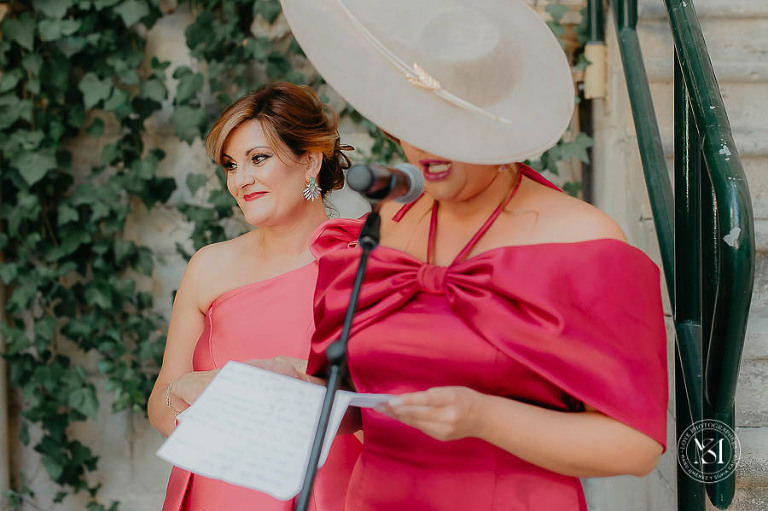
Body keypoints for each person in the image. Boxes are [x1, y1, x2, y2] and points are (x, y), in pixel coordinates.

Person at [278, 0, 669, 509]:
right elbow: (358, 408)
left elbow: (636, 446)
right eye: (413, 120)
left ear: (500, 123)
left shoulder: (582, 240)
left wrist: (485, 419)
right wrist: (300, 391)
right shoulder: (382, 228)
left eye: (451, 124)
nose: (426, 146)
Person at [147, 82, 361, 511]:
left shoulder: (362, 264)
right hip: (215, 493)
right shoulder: (208, 266)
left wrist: (301, 398)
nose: (240, 180)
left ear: (310, 161)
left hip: (320, 492)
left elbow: (389, 411)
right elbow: (160, 402)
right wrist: (184, 389)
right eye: (230, 165)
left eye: (258, 158)